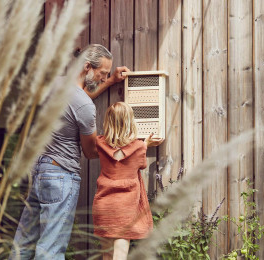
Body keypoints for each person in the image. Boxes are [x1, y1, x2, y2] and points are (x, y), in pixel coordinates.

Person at [10, 44, 130, 259]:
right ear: (87, 67)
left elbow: (78, 102)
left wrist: (112, 82)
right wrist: (116, 144)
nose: (104, 78)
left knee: (24, 244)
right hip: (62, 176)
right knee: (51, 249)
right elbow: (91, 151)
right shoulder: (84, 105)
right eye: (103, 73)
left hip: (40, 171)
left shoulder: (54, 85)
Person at [93, 102, 162, 260]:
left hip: (104, 205)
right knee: (120, 255)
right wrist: (145, 144)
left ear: (108, 122)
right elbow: (142, 164)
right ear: (130, 121)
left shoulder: (100, 143)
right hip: (125, 206)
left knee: (108, 255)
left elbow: (115, 152)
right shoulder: (139, 147)